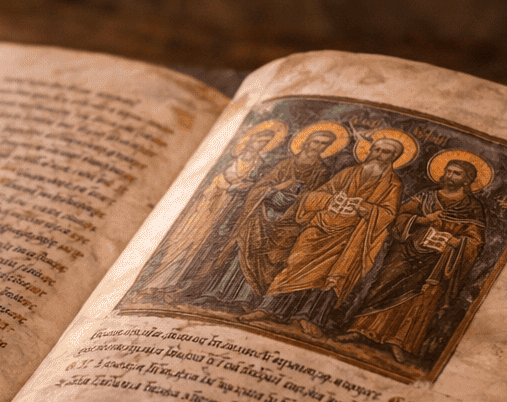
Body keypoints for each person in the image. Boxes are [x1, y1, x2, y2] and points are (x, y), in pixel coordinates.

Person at [247, 136, 404, 337]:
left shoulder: (392, 184)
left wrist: (363, 207)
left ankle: (309, 318)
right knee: (296, 262)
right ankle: (270, 309)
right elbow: (315, 196)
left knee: (334, 275)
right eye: (377, 149)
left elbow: (388, 214)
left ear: (394, 157)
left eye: (386, 152)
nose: (379, 155)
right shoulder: (348, 173)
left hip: (350, 236)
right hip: (321, 227)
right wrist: (330, 200)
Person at [339, 157, 487, 364]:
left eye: (457, 173)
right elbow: (399, 216)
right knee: (384, 286)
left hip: (438, 262)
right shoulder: (426, 197)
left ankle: (399, 342)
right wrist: (422, 220)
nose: (450, 176)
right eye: (448, 171)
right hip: (406, 253)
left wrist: (457, 242)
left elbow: (475, 240)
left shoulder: (473, 208)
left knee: (423, 298)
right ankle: (361, 330)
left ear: (467, 180)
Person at [192, 125, 340, 307]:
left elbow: (315, 197)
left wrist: (295, 200)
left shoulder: (322, 171)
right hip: (262, 211)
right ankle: (215, 292)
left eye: (324, 144)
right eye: (316, 141)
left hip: (289, 218)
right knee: (244, 245)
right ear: (307, 142)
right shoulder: (286, 164)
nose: (318, 146)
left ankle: (245, 298)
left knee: (273, 253)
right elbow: (261, 186)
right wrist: (272, 192)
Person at [135, 124, 281, 300]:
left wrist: (246, 187)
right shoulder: (231, 158)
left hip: (228, 210)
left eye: (265, 142)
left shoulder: (260, 165)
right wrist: (231, 185)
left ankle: (174, 284)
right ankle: (155, 283)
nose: (260, 144)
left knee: (200, 247)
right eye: (259, 140)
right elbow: (214, 183)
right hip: (206, 206)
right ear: (250, 140)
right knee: (181, 241)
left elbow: (255, 186)